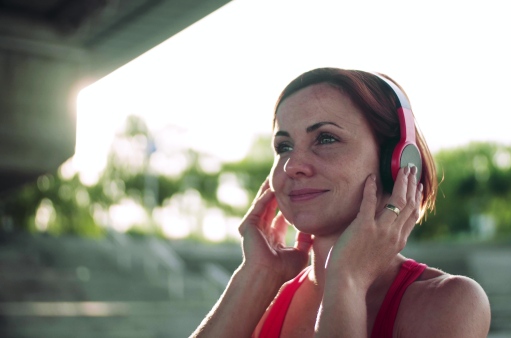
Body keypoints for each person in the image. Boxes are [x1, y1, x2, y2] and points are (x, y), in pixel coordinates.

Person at [190, 67, 491, 338]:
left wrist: (347, 280)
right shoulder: (258, 304)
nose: (292, 165)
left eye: (325, 139)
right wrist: (257, 275)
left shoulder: (450, 301)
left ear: (397, 162)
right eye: (284, 146)